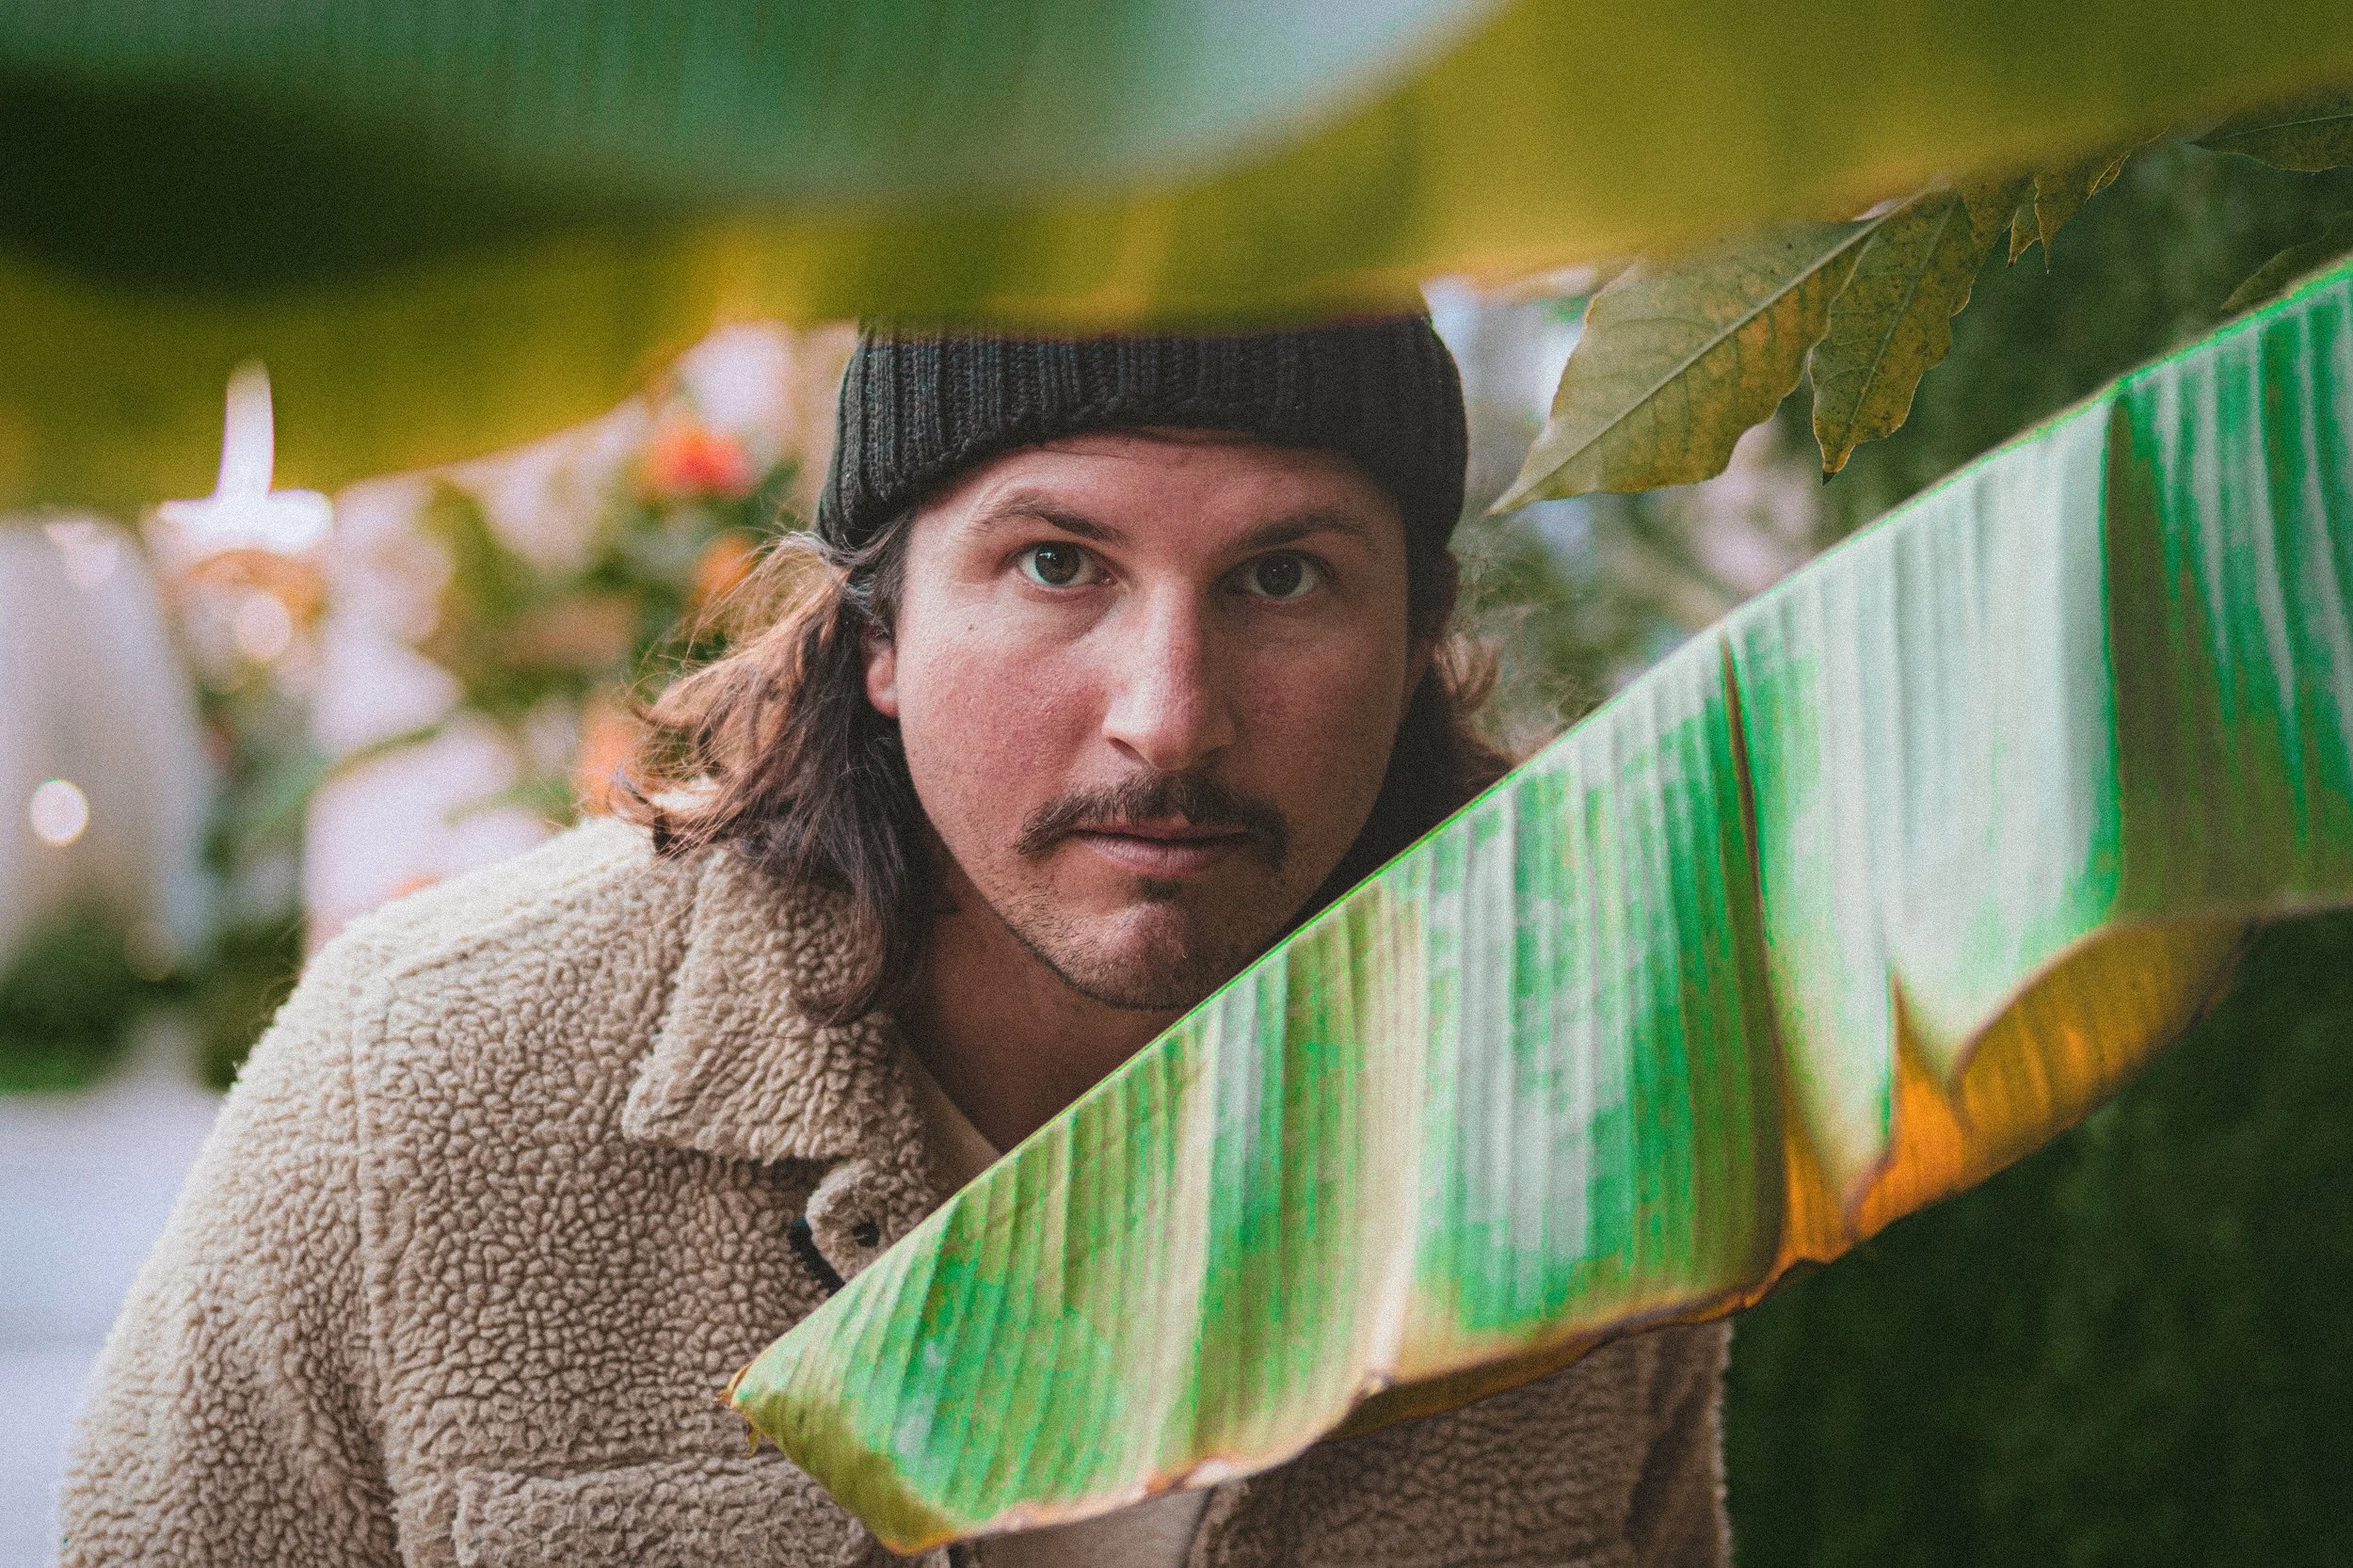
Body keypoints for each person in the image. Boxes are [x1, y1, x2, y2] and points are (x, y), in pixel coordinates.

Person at [58, 320, 1731, 1568]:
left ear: (1420, 637)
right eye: (1059, 562)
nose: (1170, 716)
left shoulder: (1568, 1137)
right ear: (876, 632)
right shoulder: (423, 1084)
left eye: (1283, 577)